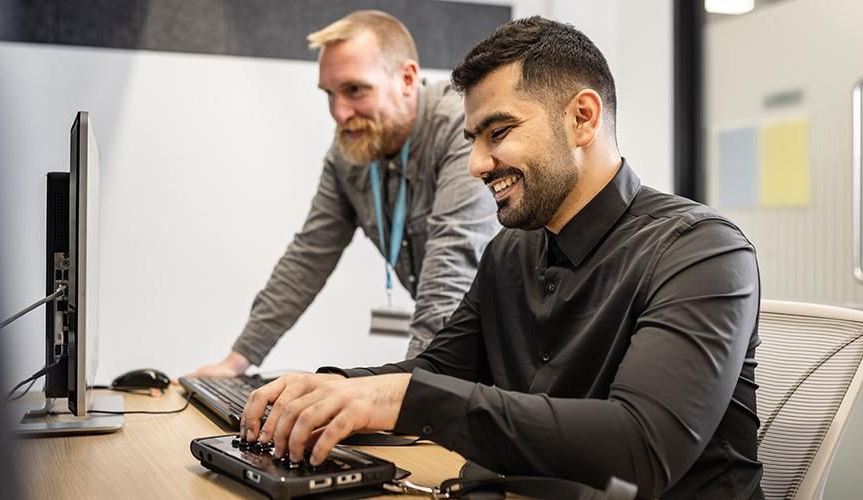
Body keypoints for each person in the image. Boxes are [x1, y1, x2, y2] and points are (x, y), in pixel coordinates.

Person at [240, 16, 763, 499]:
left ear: (582, 118)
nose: (476, 164)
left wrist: (403, 398)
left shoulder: (703, 250)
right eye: (473, 139)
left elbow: (642, 449)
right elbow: (437, 370)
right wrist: (334, 388)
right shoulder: (511, 251)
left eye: (499, 132)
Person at [189, 11, 500, 377]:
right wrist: (236, 361)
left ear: (407, 78)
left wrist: (409, 390)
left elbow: (451, 264)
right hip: (459, 350)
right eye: (329, 94)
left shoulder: (460, 130)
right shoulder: (349, 154)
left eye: (355, 90)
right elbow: (308, 257)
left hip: (517, 349)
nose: (339, 112)